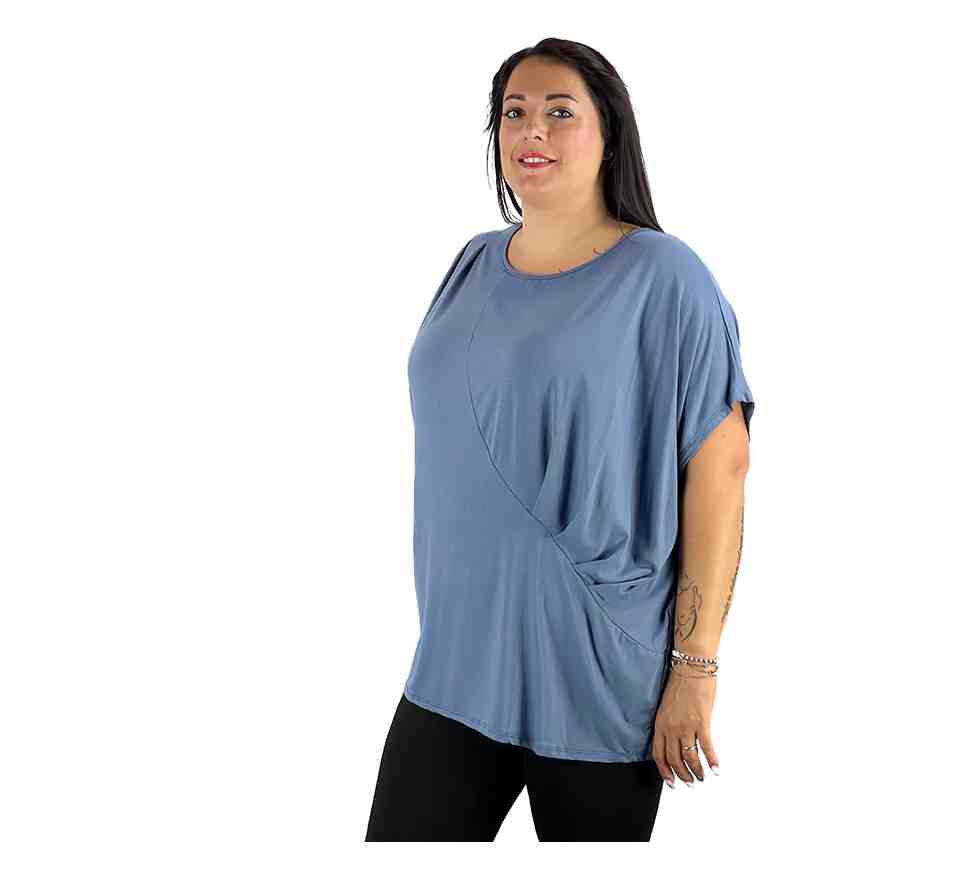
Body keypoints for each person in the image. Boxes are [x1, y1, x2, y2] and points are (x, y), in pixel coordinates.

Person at [366, 38, 755, 842]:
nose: (530, 130)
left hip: (594, 663)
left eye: (559, 112)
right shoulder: (473, 262)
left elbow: (720, 472)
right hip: (455, 659)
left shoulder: (665, 277)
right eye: (513, 113)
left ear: (609, 133)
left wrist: (695, 669)